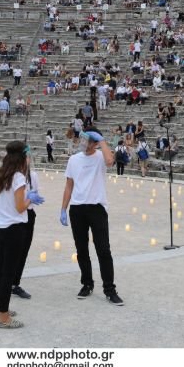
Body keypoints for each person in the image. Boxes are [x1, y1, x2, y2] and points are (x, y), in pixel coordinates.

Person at [60, 127, 124, 305]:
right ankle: (87, 283)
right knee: (81, 250)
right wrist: (63, 209)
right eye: (82, 139)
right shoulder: (74, 159)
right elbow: (69, 185)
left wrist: (102, 141)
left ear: (95, 143)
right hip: (77, 209)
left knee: (103, 249)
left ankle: (109, 289)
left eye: (87, 140)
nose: (83, 143)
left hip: (97, 208)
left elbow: (111, 161)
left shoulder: (101, 157)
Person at [0, 141, 44, 328]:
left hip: (1, 226)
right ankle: (4, 317)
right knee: (8, 273)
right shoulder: (19, 178)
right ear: (22, 157)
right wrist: (31, 198)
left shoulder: (2, 174)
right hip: (14, 228)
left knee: (1, 269)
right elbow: (20, 206)